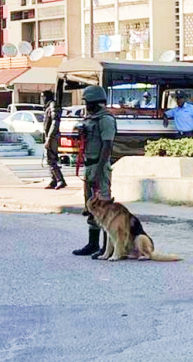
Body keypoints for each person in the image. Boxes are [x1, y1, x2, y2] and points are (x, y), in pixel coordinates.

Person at [72, 85, 117, 258]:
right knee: (90, 205)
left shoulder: (105, 119)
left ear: (95, 102)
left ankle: (107, 246)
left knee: (103, 205)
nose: (86, 105)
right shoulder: (92, 118)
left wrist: (98, 171)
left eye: (88, 102)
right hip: (89, 165)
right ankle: (92, 243)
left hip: (99, 166)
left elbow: (107, 145)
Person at [43, 90, 67, 189]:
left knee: (51, 159)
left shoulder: (53, 105)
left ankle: (60, 180)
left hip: (52, 136)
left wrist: (49, 138)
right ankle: (54, 179)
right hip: (49, 135)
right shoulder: (49, 106)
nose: (42, 99)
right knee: (49, 159)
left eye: (43, 96)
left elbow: (54, 122)